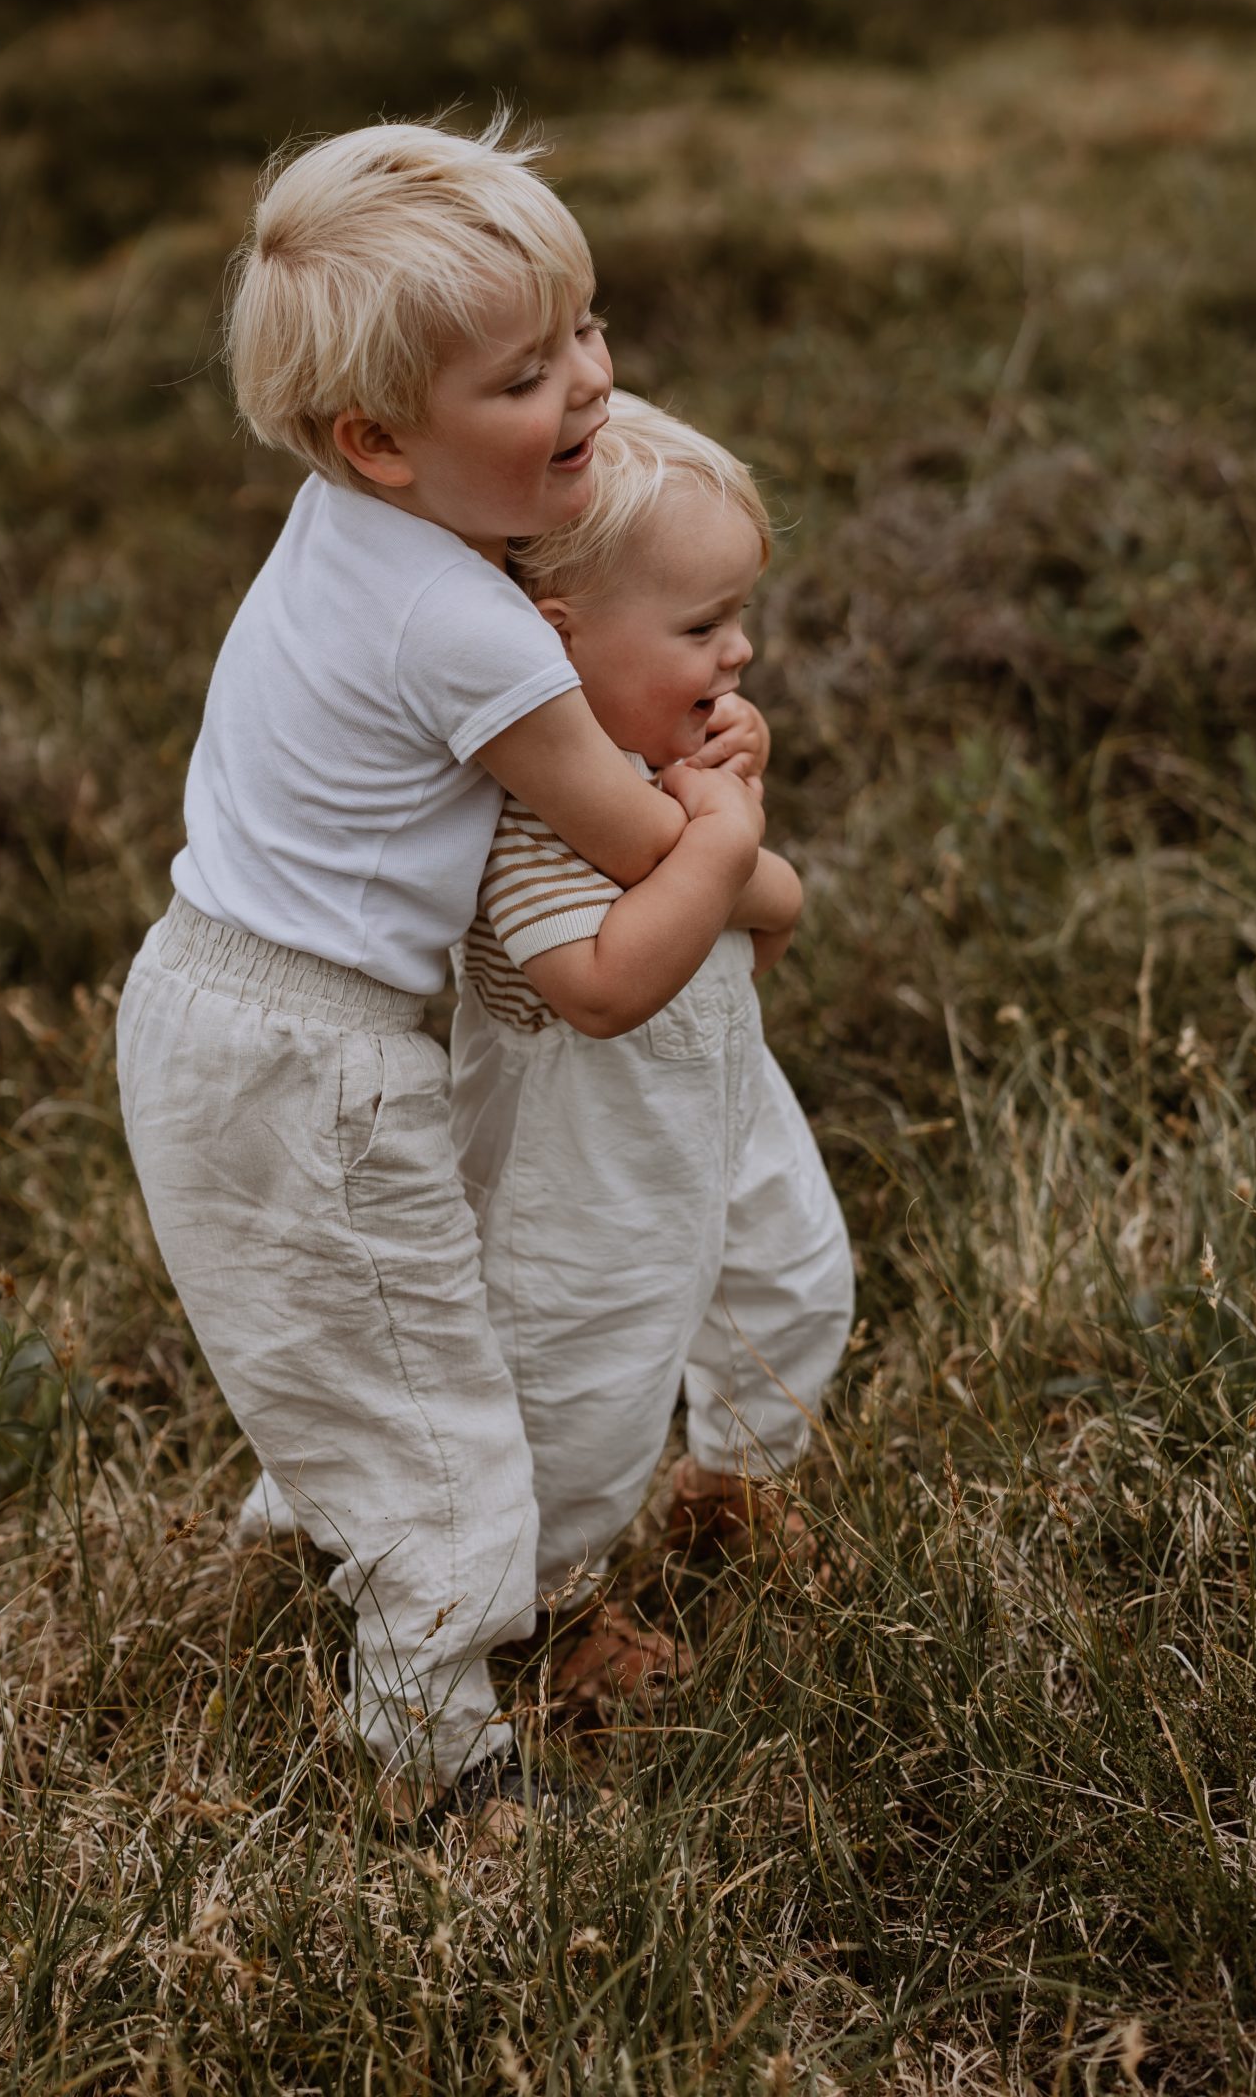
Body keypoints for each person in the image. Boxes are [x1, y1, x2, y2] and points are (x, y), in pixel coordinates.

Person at [116, 120, 767, 1824]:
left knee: (353, 1335)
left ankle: (315, 1546)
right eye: (525, 375)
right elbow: (629, 846)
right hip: (313, 1055)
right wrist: (737, 839)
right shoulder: (468, 626)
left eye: (586, 332)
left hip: (209, 994)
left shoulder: (355, 526)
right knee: (433, 1404)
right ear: (379, 441)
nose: (592, 389)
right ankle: (439, 1756)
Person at [449, 393, 855, 1693]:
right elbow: (604, 986)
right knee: (587, 1369)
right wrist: (726, 841)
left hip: (723, 1099)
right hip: (588, 1159)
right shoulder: (526, 816)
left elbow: (752, 940)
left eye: (740, 617)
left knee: (792, 1278)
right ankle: (543, 1609)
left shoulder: (657, 769)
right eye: (700, 628)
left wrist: (731, 803)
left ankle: (728, 1483)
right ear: (554, 649)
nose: (738, 655)